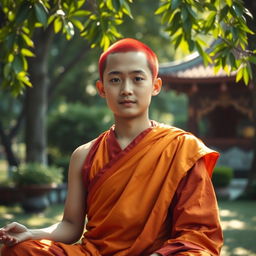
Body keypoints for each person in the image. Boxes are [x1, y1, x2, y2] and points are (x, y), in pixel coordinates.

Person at [0, 38, 223, 256]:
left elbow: (198, 233)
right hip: (93, 252)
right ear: (102, 88)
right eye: (115, 80)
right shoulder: (84, 154)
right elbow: (70, 226)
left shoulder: (181, 148)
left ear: (155, 86)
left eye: (137, 78)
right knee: (19, 250)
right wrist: (31, 233)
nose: (126, 89)